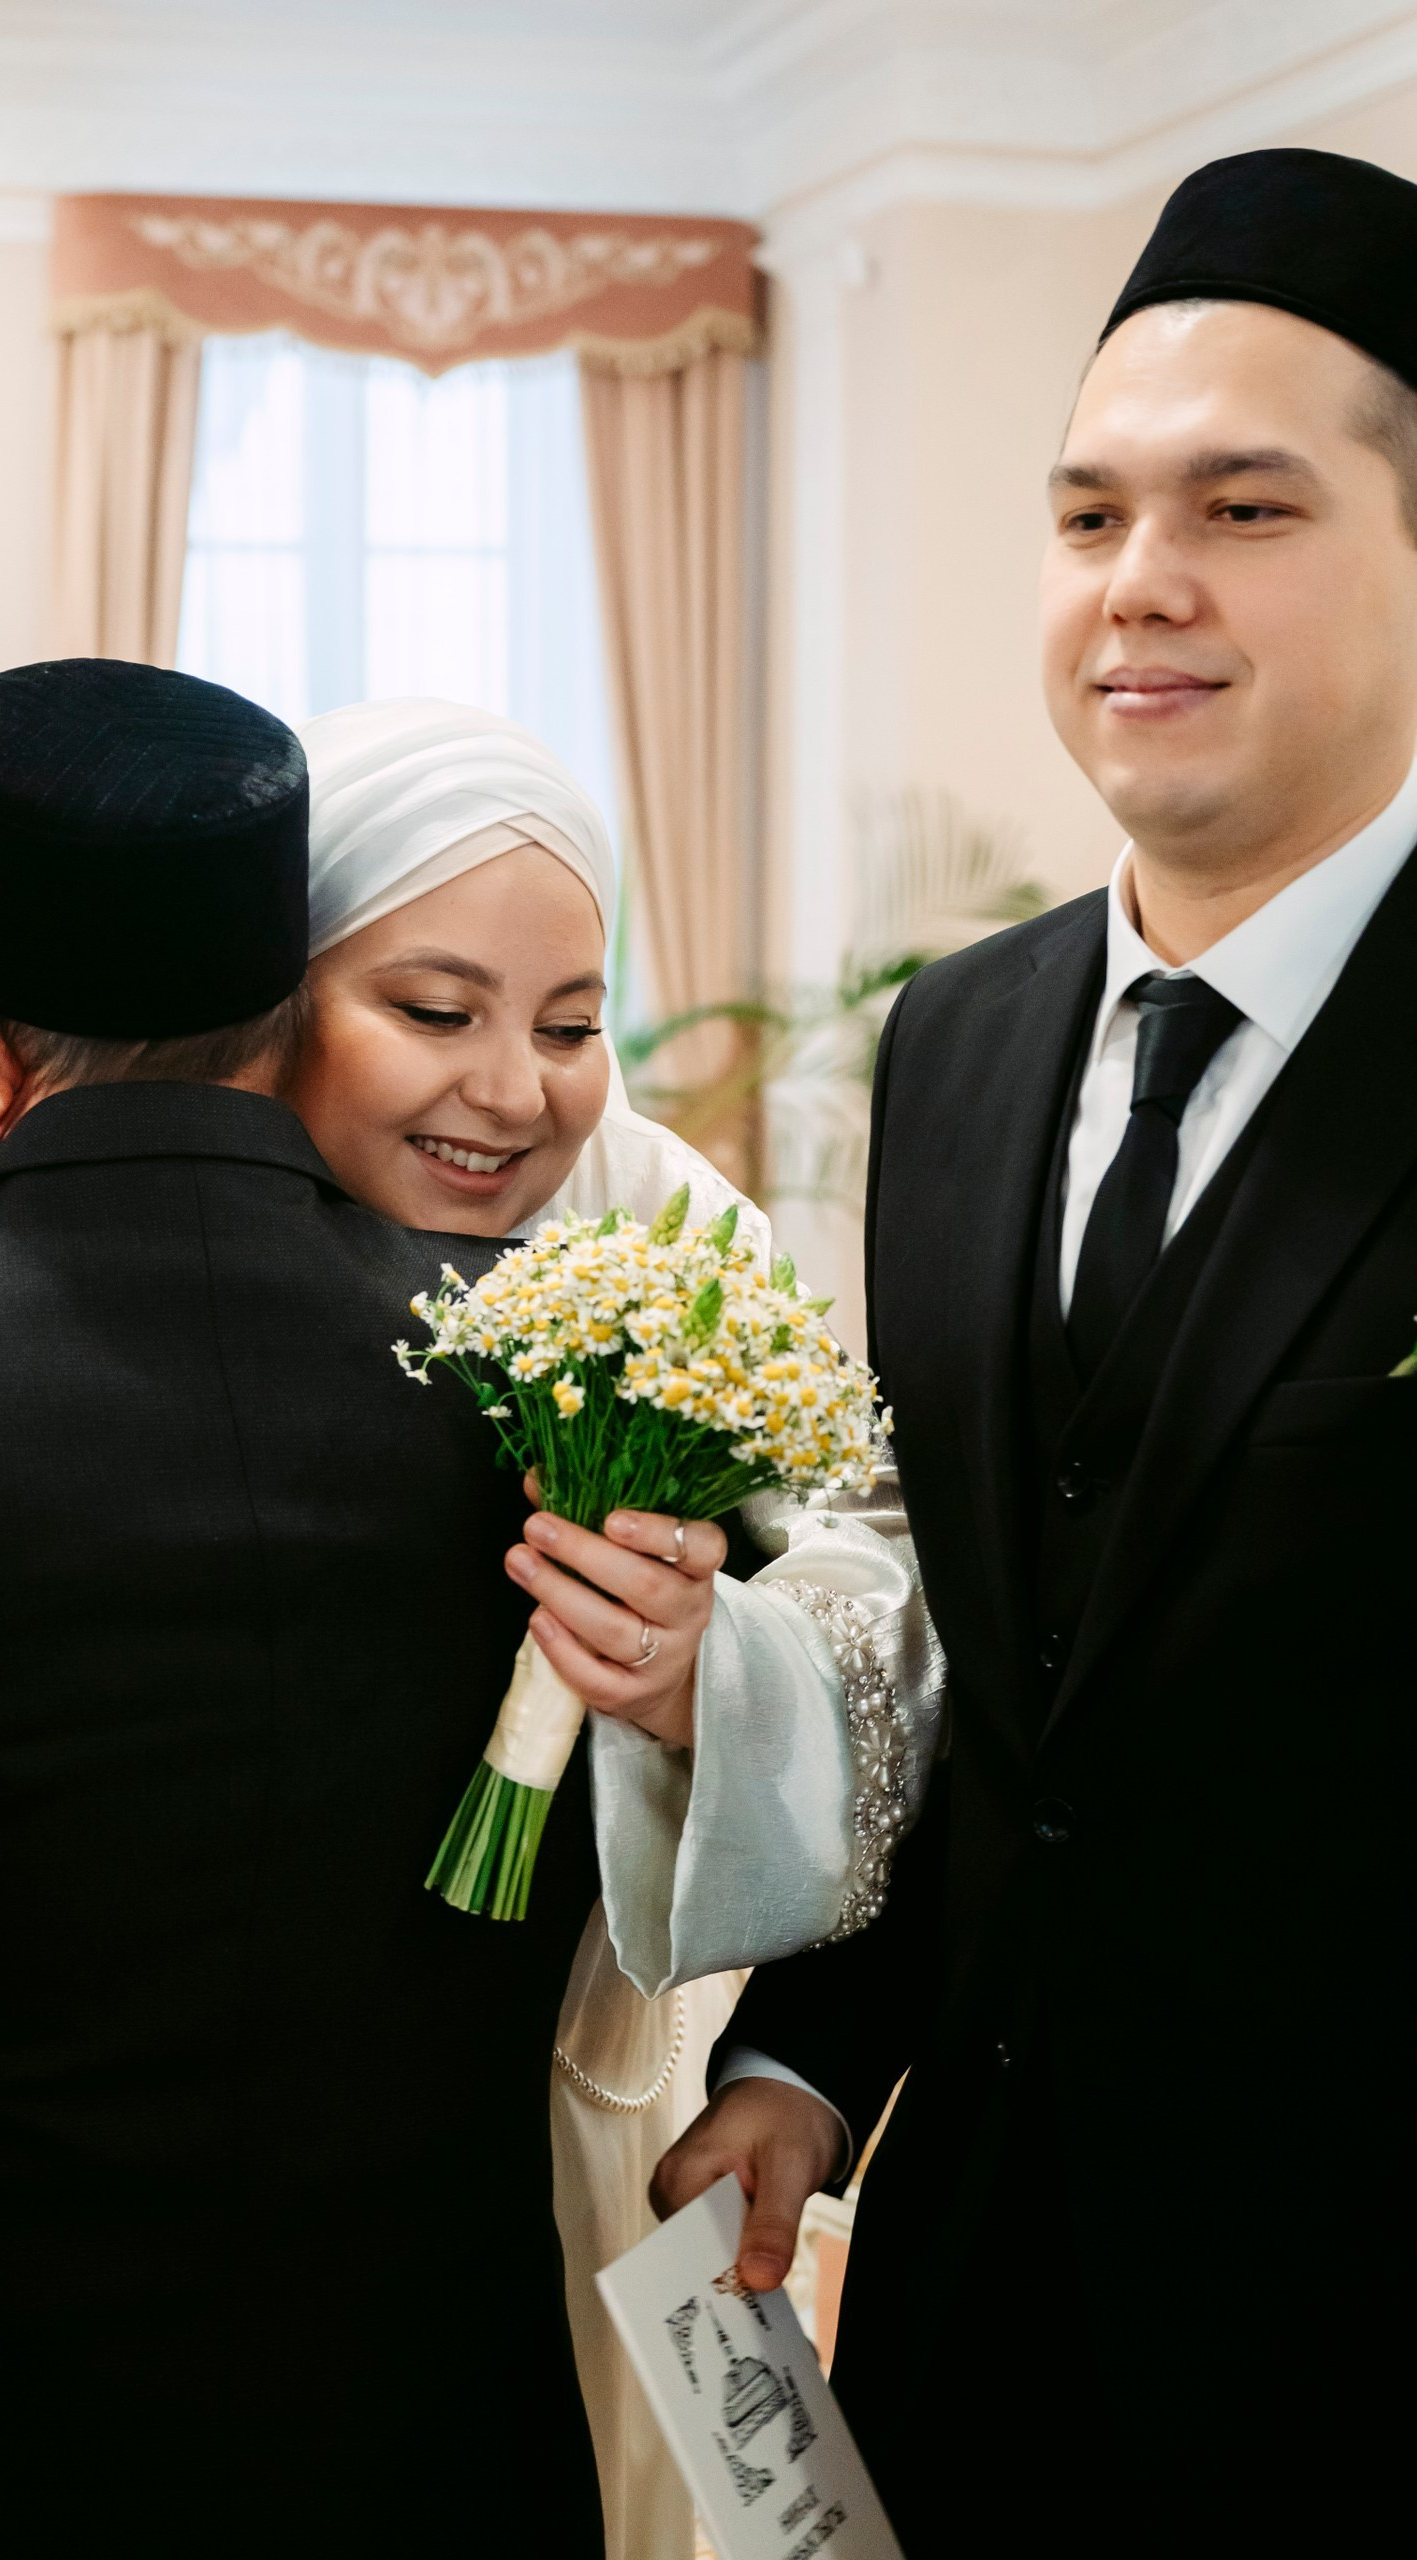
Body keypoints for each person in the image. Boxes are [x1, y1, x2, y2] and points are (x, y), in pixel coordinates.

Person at [0, 694, 943, 2560]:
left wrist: (697, 1670)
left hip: (543, 2114)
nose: (514, 1090)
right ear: (268, 1001)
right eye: (434, 1011)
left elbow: (888, 1591)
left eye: (573, 1025)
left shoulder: (651, 1236)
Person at [654, 146, 1417, 2553]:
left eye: (1244, 508)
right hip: (979, 2287)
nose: (1139, 582)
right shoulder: (961, 1041)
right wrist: (807, 2055)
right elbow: (1010, 1678)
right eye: (1089, 516)